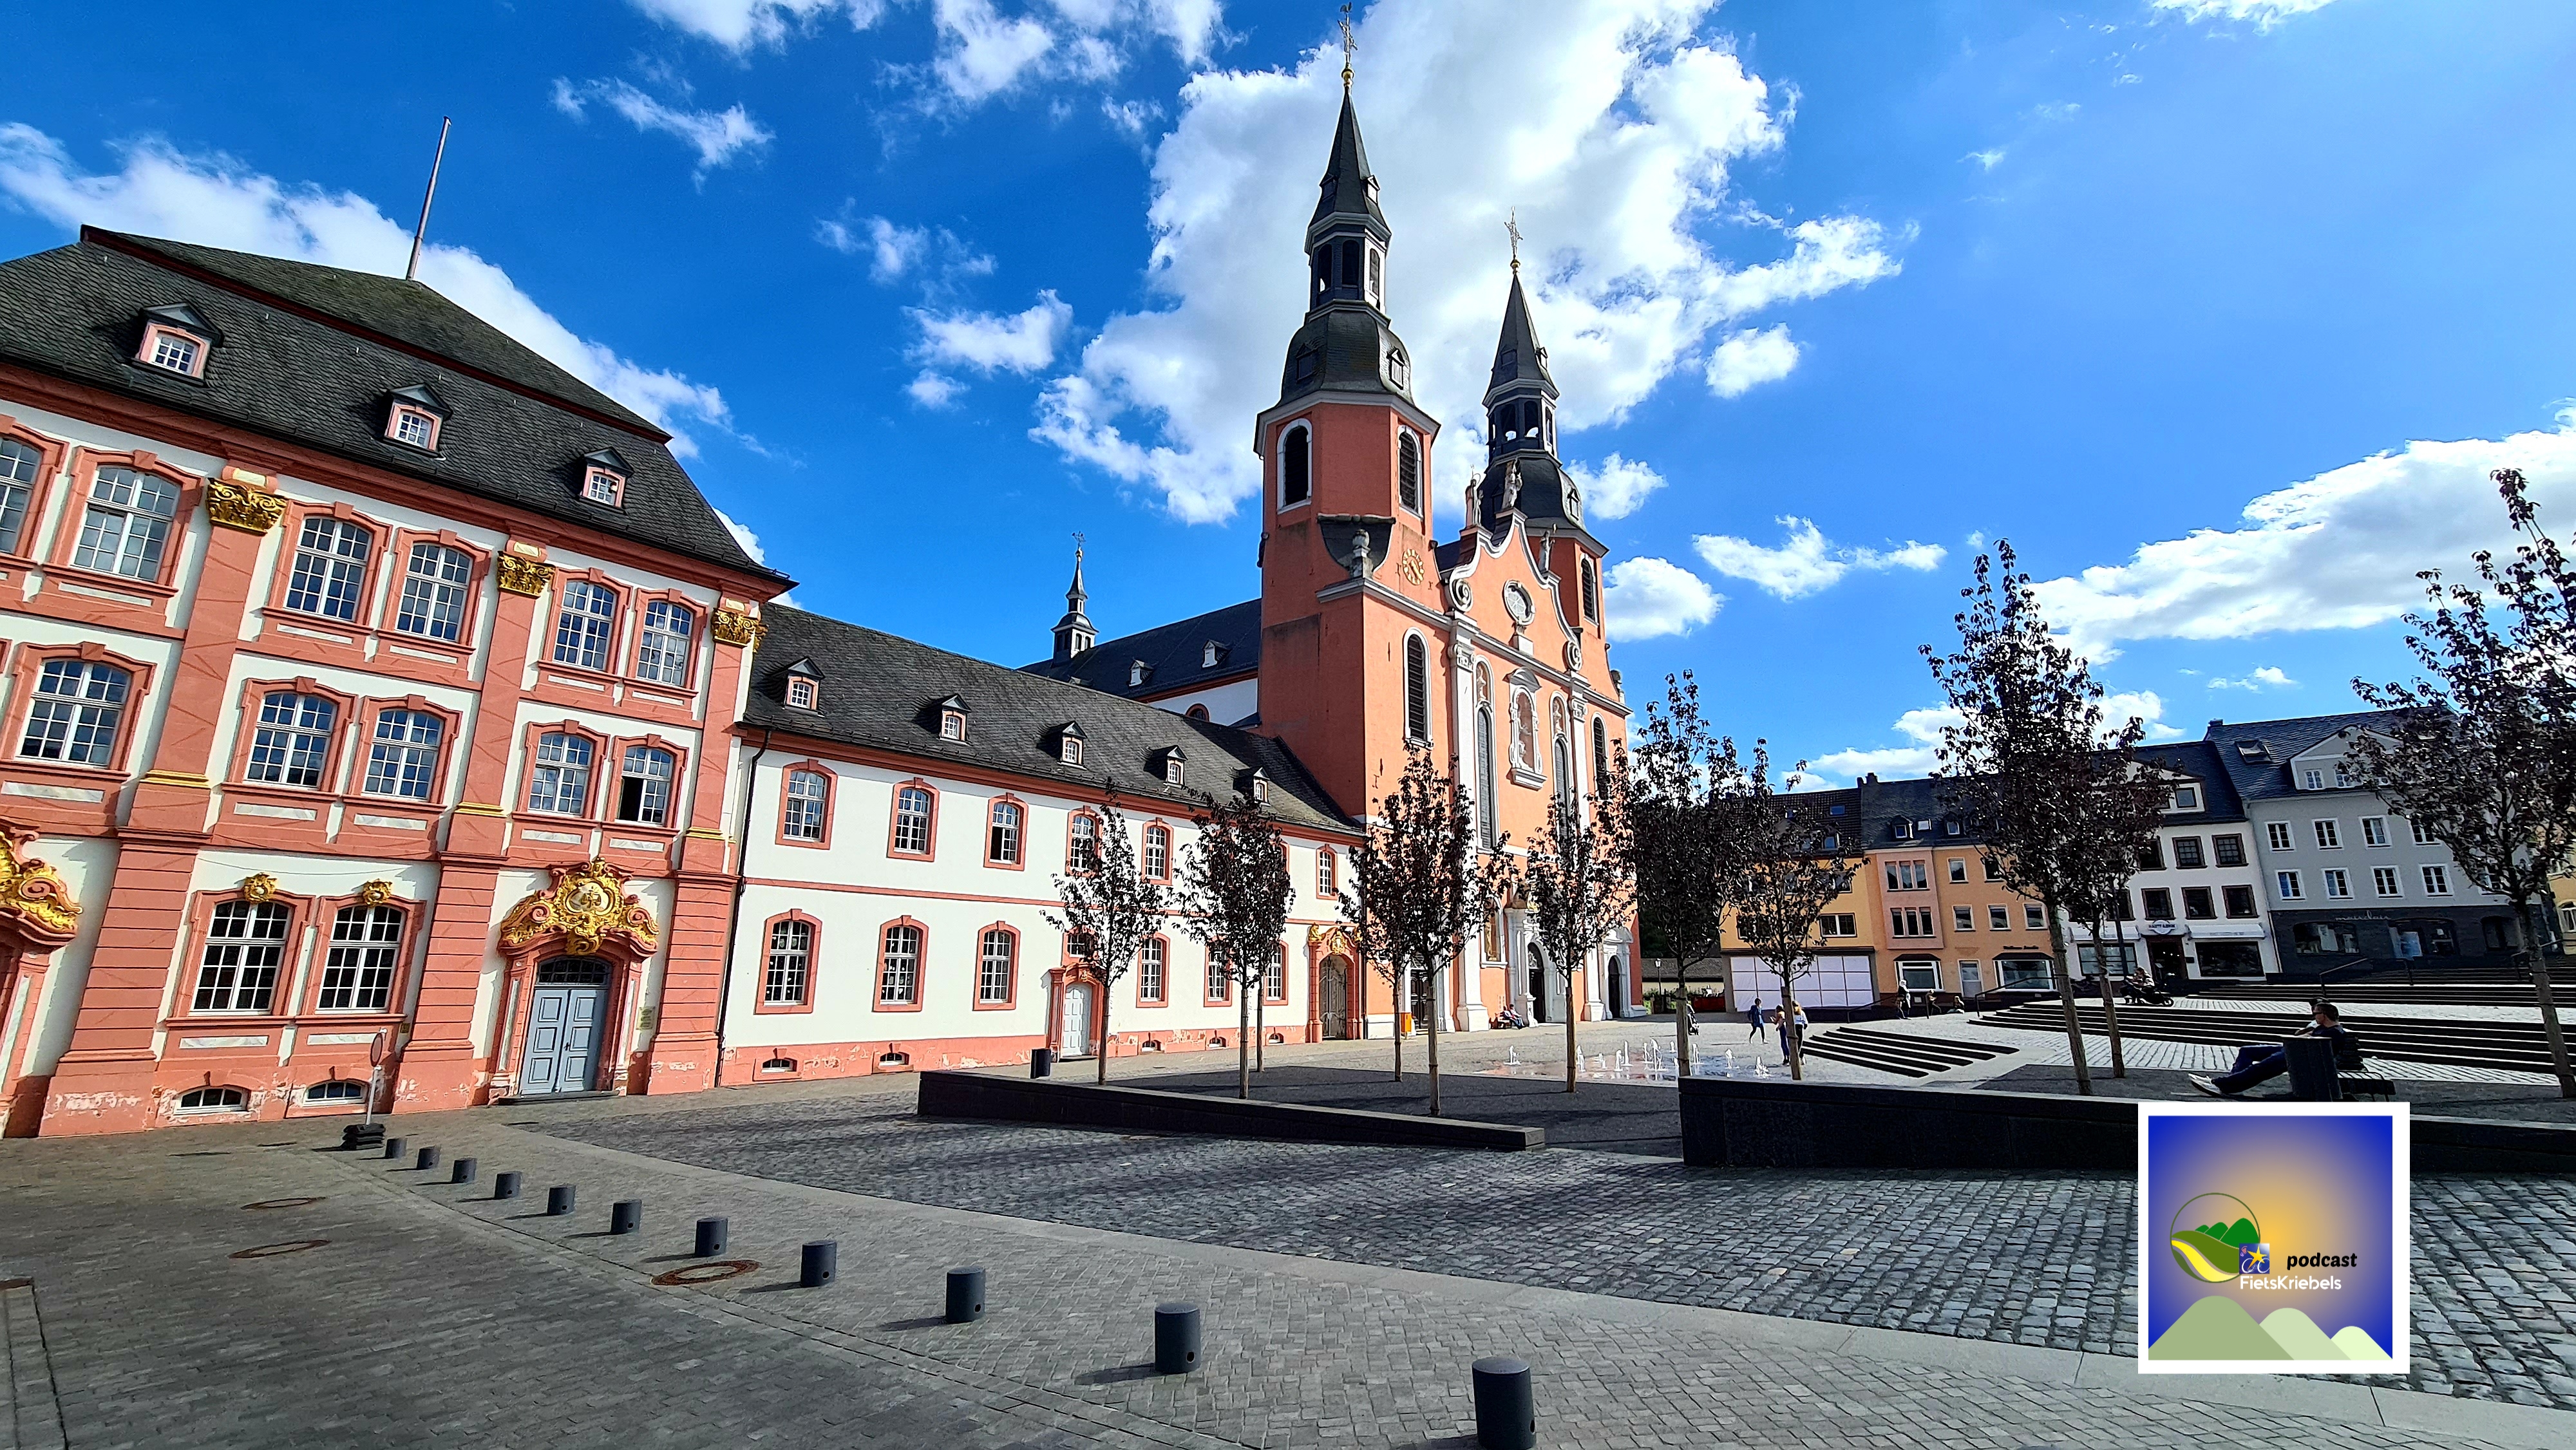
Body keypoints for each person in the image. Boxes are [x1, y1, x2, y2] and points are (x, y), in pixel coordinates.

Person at [2190, 1002, 2363, 1097]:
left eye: (2315, 1014)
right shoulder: (2322, 1027)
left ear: (2324, 1015)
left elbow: (2316, 1049)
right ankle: (2231, 1083)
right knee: (2247, 1051)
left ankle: (2221, 1085)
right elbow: (2300, 1035)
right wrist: (2307, 1030)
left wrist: (2305, 1037)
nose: (2313, 1016)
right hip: (2293, 1050)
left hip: (2300, 1058)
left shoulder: (2334, 1032)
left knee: (2262, 1067)